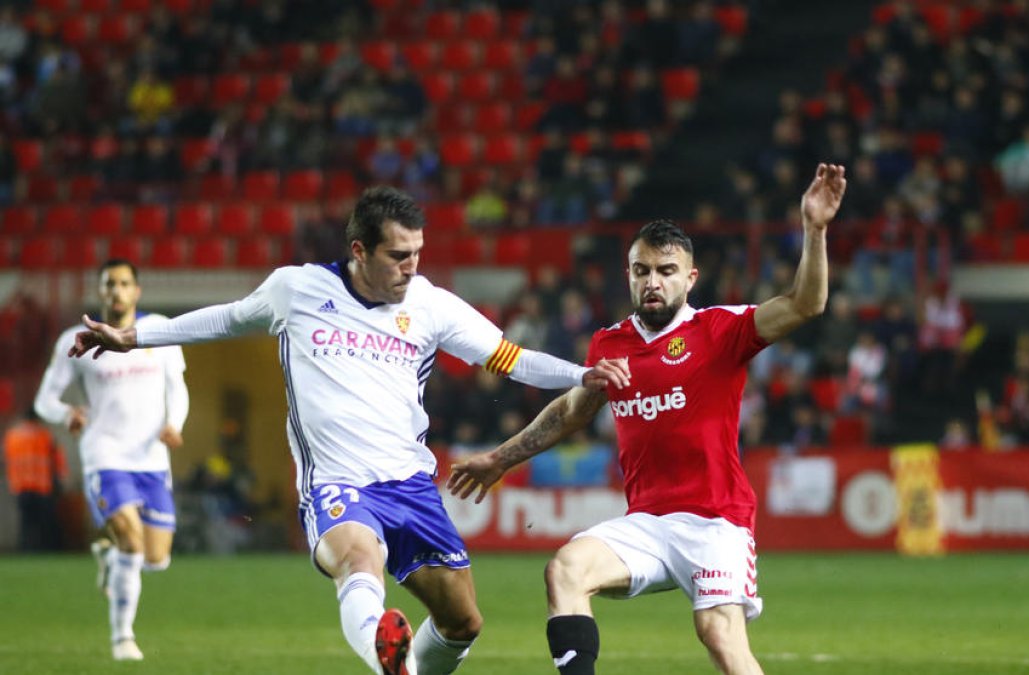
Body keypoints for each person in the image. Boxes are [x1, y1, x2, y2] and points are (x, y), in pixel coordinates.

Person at [68, 187, 631, 675]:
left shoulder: (430, 305)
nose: (411, 267)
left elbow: (511, 358)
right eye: (398, 256)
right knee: (359, 564)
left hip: (410, 484)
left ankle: (406, 666)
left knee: (462, 622)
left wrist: (581, 374)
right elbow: (224, 318)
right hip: (336, 482)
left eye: (417, 254)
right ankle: (383, 651)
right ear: (359, 251)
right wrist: (132, 338)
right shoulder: (298, 290)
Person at [449, 163, 846, 675]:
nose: (653, 282)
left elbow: (806, 304)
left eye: (666, 271)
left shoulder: (721, 330)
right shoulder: (609, 344)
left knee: (720, 636)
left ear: (690, 277)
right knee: (565, 570)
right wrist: (500, 460)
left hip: (716, 520)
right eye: (642, 271)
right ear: (629, 275)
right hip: (647, 525)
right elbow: (570, 412)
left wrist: (814, 230)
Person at [34, 258, 189, 661]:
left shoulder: (159, 334)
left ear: (137, 291)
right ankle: (123, 637)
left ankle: (109, 556)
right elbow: (44, 400)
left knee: (156, 559)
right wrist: (67, 413)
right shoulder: (76, 340)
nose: (116, 291)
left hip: (151, 459)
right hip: (105, 454)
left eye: (123, 283)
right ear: (100, 292)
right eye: (109, 284)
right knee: (133, 543)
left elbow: (179, 389)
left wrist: (175, 423)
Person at [3, 406, 68, 551]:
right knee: (46, 521)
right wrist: (60, 479)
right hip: (42, 485)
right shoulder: (44, 435)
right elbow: (57, 458)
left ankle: (26, 548)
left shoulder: (12, 435)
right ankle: (49, 549)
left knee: (26, 522)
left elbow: (7, 459)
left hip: (20, 486)